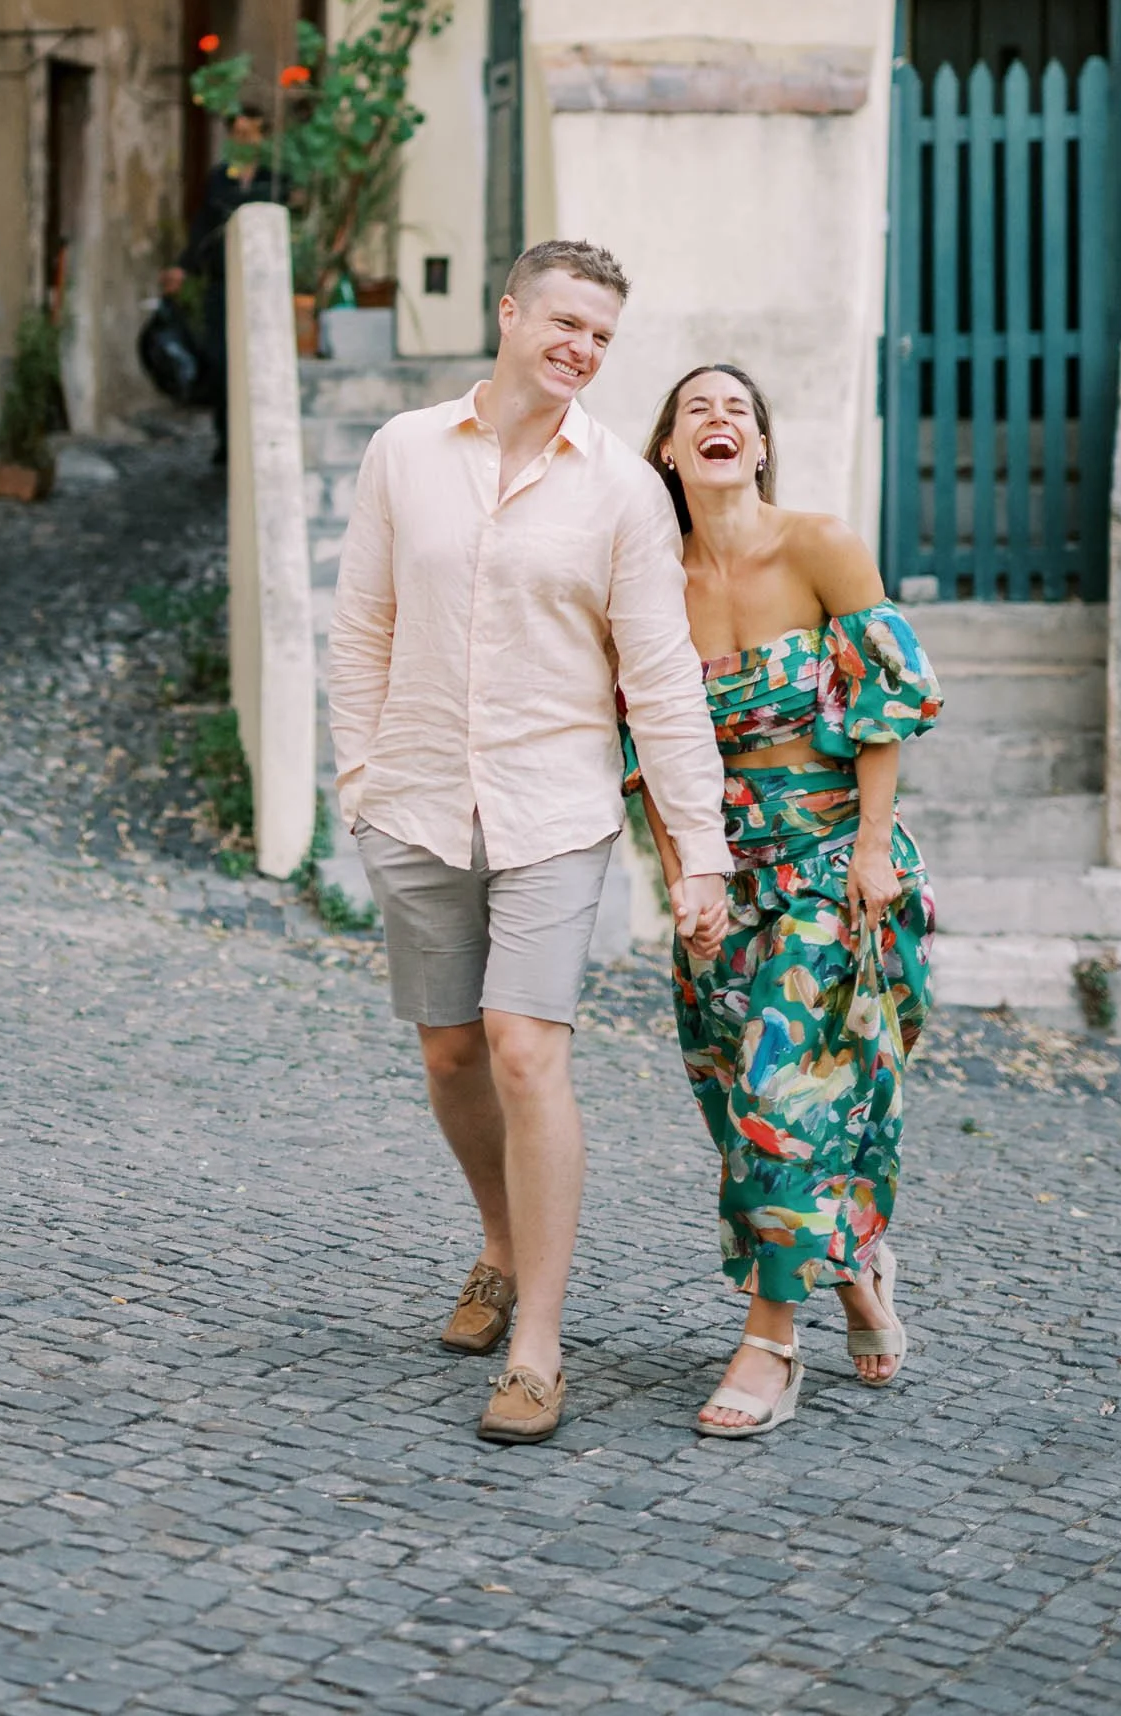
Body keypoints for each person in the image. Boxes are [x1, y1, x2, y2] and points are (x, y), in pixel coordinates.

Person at [326, 242, 730, 1446]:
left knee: (520, 1049)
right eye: (564, 322)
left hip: (555, 806)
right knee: (450, 1050)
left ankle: (541, 1340)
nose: (581, 350)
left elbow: (659, 681)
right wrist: (360, 776)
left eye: (602, 337)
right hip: (415, 801)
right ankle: (497, 1247)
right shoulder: (404, 451)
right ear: (509, 314)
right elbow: (362, 625)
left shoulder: (618, 488)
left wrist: (695, 845)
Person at [626, 365, 942, 1439]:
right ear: (666, 450)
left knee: (783, 1094)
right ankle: (852, 1277)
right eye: (694, 410)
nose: (719, 420)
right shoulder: (646, 579)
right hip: (726, 877)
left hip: (833, 869)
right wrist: (682, 876)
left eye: (739, 410)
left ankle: (769, 1343)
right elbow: (652, 754)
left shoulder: (819, 545)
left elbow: (884, 699)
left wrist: (868, 846)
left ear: (759, 445)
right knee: (741, 1109)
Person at [160, 100, 275, 469]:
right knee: (221, 363)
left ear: (262, 136)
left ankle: (259, 442)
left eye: (249, 133)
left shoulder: (276, 178)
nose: (243, 140)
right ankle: (227, 442)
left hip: (264, 290)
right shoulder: (219, 177)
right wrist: (182, 268)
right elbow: (202, 229)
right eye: (236, 133)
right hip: (221, 286)